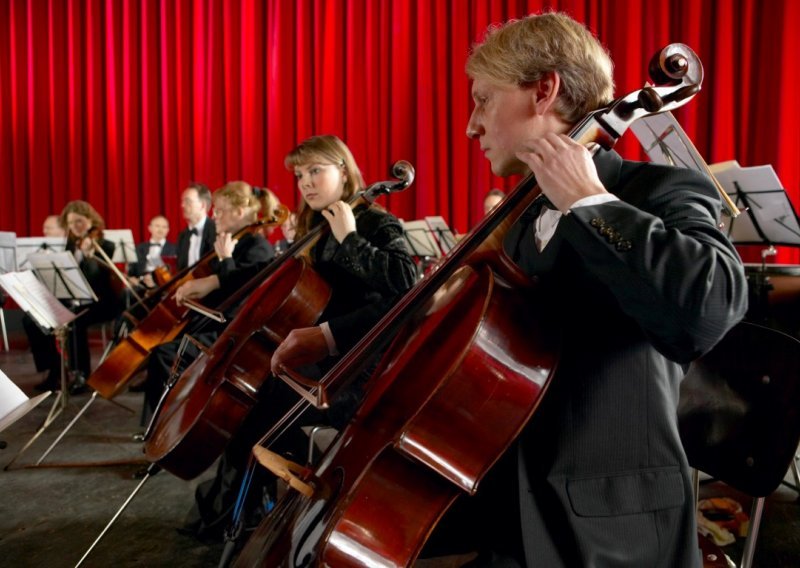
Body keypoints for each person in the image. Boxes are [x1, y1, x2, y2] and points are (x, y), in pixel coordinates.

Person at [424, 12, 748, 567]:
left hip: (609, 535)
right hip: (508, 514)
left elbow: (709, 309)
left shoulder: (660, 190)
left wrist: (589, 201)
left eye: (483, 99)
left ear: (544, 91)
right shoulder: (524, 218)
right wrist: (333, 337)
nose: (471, 126)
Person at [182, 134, 418, 541]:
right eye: (299, 175)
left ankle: (246, 518)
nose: (305, 182)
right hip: (311, 358)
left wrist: (350, 240)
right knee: (249, 408)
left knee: (256, 414)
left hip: (353, 367)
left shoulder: (374, 221)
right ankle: (240, 513)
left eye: (315, 171)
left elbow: (405, 286)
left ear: (343, 171)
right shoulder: (315, 225)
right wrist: (215, 280)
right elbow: (276, 271)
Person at [141, 182, 277, 418]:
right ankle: (161, 421)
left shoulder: (258, 246)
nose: (215, 216)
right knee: (164, 351)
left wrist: (225, 259)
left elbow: (240, 293)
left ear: (240, 211)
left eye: (221, 210)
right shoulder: (230, 241)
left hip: (233, 333)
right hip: (216, 324)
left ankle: (172, 420)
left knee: (165, 355)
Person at [24, 201, 123, 392]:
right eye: (69, 223)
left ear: (90, 220)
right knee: (32, 319)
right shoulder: (69, 244)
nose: (74, 227)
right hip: (73, 301)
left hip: (101, 303)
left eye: (79, 222)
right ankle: (55, 371)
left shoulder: (105, 244)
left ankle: (81, 374)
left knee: (76, 320)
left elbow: (96, 281)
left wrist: (88, 255)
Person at [127, 214, 177, 289]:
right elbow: (131, 273)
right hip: (140, 286)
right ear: (150, 228)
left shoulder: (175, 249)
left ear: (168, 230)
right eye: (157, 226)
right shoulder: (139, 248)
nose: (160, 230)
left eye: (164, 227)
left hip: (163, 287)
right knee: (126, 293)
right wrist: (131, 279)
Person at [177, 182, 216, 271]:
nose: (182, 205)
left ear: (202, 205)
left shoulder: (216, 230)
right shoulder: (182, 236)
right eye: (182, 201)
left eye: (187, 201)